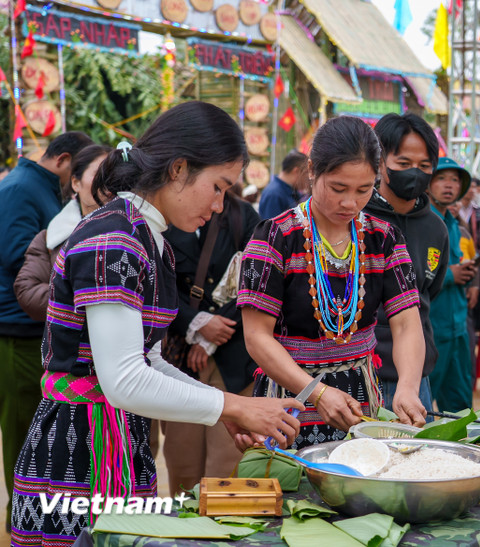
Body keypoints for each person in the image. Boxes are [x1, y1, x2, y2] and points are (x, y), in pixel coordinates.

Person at [11, 102, 302, 545]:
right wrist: (232, 406)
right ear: (178, 168)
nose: (219, 205)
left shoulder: (149, 237)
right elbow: (124, 380)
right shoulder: (114, 239)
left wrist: (223, 405)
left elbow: (146, 361)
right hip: (80, 449)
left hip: (118, 438)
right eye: (217, 187)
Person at [239, 116, 427, 450]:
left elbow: (406, 324)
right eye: (338, 188)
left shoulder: (383, 238)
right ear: (312, 170)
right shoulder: (275, 237)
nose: (350, 203)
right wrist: (317, 392)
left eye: (364, 190)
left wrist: (408, 388)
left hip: (360, 400)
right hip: (288, 401)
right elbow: (256, 337)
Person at [0, 131, 93, 528]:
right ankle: (22, 521)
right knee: (24, 432)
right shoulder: (21, 188)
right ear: (65, 162)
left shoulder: (39, 186)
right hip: (17, 329)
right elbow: (15, 254)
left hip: (40, 329)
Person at [161, 190, 262, 494]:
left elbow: (258, 281)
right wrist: (195, 322)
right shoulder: (165, 216)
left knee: (228, 461)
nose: (216, 197)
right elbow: (157, 284)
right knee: (182, 459)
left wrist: (215, 329)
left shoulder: (243, 216)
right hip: (181, 356)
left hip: (235, 357)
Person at [364, 113, 449, 414]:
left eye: (424, 166)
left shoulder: (436, 228)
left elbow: (429, 291)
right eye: (403, 163)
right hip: (362, 372)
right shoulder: (357, 218)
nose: (415, 173)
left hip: (415, 380)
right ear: (380, 163)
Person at [14, 144, 112, 324]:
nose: (107, 183)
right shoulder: (51, 236)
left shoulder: (136, 231)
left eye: (114, 176)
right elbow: (27, 290)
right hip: (69, 338)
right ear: (76, 183)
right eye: (99, 174)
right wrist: (84, 297)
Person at [426, 157, 475, 412]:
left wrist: (470, 278)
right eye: (442, 178)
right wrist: (449, 276)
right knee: (423, 405)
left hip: (458, 328)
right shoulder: (425, 221)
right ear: (428, 184)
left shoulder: (454, 223)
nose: (449, 185)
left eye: (455, 180)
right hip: (433, 329)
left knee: (460, 406)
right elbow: (414, 274)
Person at [258, 150, 308, 219]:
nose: (308, 178)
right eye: (306, 173)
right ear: (296, 171)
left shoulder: (292, 191)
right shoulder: (273, 194)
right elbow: (272, 225)